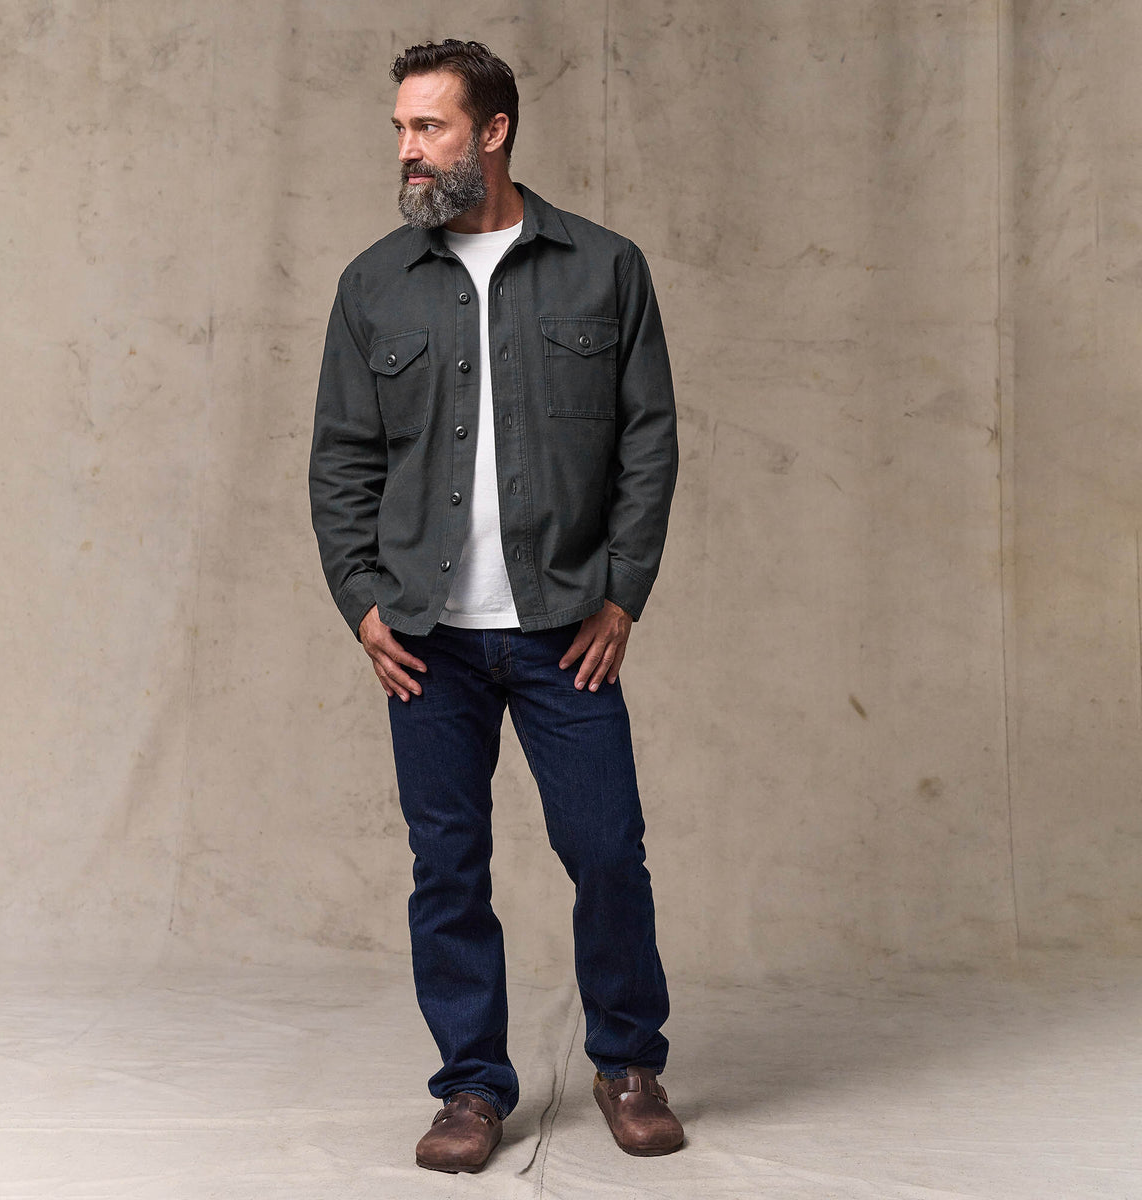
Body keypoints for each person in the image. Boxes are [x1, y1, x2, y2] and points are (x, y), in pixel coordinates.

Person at [309, 38, 681, 1173]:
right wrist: (362, 603)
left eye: (429, 127)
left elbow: (649, 443)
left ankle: (628, 1064)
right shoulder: (374, 285)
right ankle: (471, 1086)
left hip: (564, 627)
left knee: (607, 850)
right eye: (400, 130)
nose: (408, 150)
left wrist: (622, 593)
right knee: (448, 867)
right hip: (427, 642)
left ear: (495, 131)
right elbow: (341, 461)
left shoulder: (605, 268)